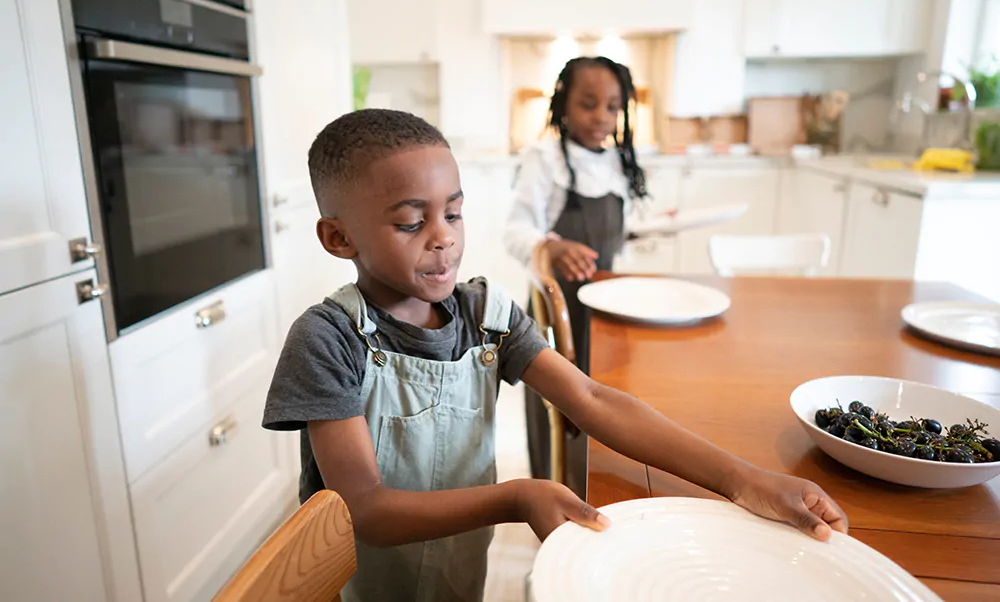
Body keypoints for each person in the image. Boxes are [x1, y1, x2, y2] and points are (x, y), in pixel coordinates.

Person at [262, 109, 848, 602]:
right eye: (412, 222)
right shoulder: (327, 339)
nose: (444, 237)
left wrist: (743, 479)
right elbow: (365, 508)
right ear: (339, 238)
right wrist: (517, 495)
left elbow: (591, 399)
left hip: (457, 578)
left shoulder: (487, 316)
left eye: (454, 213)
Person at [503, 56, 645, 488]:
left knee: (604, 405)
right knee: (560, 409)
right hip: (557, 312)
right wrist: (551, 246)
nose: (601, 117)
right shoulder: (544, 159)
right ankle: (554, 492)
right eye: (588, 104)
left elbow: (614, 232)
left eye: (612, 107)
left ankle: (595, 490)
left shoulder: (618, 161)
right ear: (563, 103)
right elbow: (515, 230)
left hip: (604, 310)